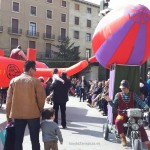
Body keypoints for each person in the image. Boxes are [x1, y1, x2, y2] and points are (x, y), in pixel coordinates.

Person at [6, 60, 46, 150]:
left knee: (18, 140)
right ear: (31, 69)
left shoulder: (13, 81)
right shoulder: (35, 81)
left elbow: (9, 101)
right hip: (33, 115)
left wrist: (8, 116)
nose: (35, 71)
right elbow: (41, 98)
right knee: (35, 140)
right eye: (35, 69)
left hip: (17, 115)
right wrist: (40, 110)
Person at [104, 80, 149, 146]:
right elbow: (114, 106)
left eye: (124, 88)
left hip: (133, 114)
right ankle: (123, 138)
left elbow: (140, 102)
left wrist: (146, 107)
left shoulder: (133, 94)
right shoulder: (118, 95)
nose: (122, 89)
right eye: (121, 88)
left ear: (128, 87)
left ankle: (147, 143)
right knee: (117, 122)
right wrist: (109, 101)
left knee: (140, 125)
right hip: (121, 114)